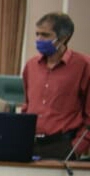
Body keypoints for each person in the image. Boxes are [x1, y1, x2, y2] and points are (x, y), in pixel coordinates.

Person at [22, 12, 90, 159]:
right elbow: (27, 105)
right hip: (30, 144)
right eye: (37, 34)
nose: (39, 39)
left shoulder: (84, 66)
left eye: (45, 35)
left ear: (64, 38)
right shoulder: (31, 66)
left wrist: (77, 148)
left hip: (63, 146)